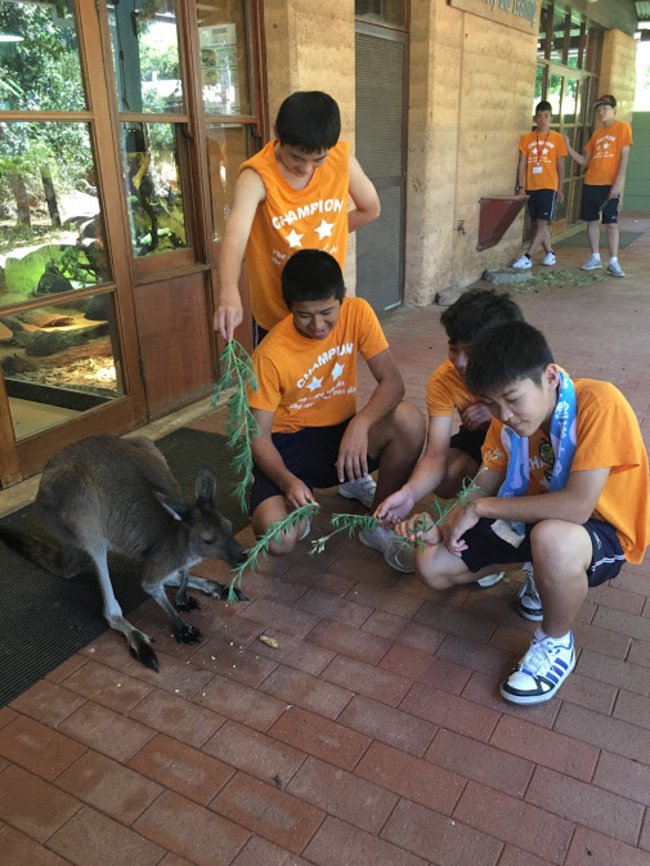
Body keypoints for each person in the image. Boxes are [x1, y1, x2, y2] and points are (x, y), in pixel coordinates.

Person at [394, 320, 649, 706]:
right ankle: (537, 570)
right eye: (492, 404)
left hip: (597, 528)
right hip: (530, 516)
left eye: (513, 399)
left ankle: (556, 643)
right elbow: (483, 484)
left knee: (552, 539)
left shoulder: (599, 403)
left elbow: (577, 507)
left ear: (550, 377)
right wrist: (441, 526)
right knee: (431, 564)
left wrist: (480, 508)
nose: (506, 415)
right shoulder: (504, 424)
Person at [246, 249, 425, 560]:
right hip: (288, 448)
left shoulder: (358, 312)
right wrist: (288, 482)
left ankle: (378, 524)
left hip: (342, 435)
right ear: (290, 307)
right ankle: (294, 505)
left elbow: (393, 382)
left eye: (327, 311)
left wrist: (360, 424)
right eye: (304, 315)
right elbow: (258, 437)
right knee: (277, 540)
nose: (318, 325)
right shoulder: (269, 354)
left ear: (342, 296)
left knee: (409, 420)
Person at [374, 289, 524, 576]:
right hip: (482, 445)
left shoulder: (525, 376)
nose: (460, 361)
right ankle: (478, 525)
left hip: (523, 451)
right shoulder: (444, 379)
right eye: (454, 348)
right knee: (447, 477)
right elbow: (435, 454)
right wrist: (409, 494)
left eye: (471, 351)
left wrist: (494, 411)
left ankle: (516, 550)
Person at [214, 90, 380, 342]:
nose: (306, 168)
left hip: (325, 307)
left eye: (319, 159)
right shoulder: (257, 176)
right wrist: (228, 293)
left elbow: (370, 209)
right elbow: (235, 239)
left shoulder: (342, 160)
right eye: (296, 157)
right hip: (277, 314)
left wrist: (327, 232)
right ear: (277, 133)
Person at [565, 94, 632, 278]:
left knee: (611, 223)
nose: (601, 112)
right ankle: (595, 257)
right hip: (591, 182)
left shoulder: (623, 128)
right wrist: (568, 148)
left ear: (614, 110)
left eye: (605, 108)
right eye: (599, 109)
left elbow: (624, 157)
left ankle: (614, 262)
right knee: (591, 221)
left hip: (610, 184)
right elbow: (584, 161)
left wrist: (618, 184)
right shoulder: (597, 134)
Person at [512, 100, 567, 269]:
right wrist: (520, 186)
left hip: (548, 185)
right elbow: (522, 162)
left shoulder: (557, 138)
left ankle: (528, 256)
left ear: (551, 118)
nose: (543, 120)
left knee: (543, 222)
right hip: (531, 185)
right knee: (537, 223)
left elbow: (560, 165)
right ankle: (550, 252)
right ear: (535, 118)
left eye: (546, 116)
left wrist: (560, 188)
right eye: (540, 116)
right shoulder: (526, 138)